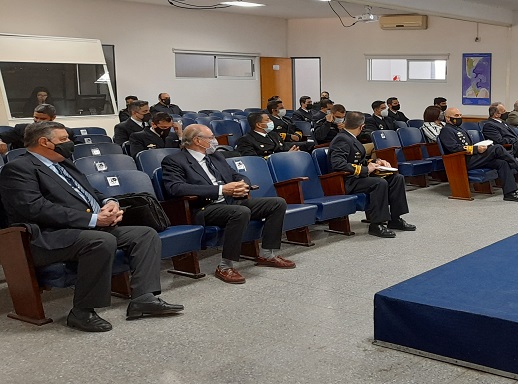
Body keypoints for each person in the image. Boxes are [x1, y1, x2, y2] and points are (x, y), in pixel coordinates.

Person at [0, 121, 183, 332]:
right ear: (44, 142)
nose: (69, 143)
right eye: (63, 139)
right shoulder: (18, 169)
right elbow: (35, 209)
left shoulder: (63, 162)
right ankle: (82, 311)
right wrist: (94, 220)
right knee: (101, 240)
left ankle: (143, 298)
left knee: (145, 235)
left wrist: (109, 203)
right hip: (48, 237)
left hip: (86, 228)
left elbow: (91, 192)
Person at [161, 124, 294, 284]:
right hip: (204, 207)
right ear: (197, 140)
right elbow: (175, 188)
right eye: (211, 138)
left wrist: (242, 185)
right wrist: (221, 189)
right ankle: (225, 266)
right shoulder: (174, 160)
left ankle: (267, 254)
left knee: (277, 203)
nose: (215, 141)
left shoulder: (216, 157)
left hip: (231, 201)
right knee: (240, 212)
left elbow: (237, 175)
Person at [329, 111, 414, 238]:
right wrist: (365, 170)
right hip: (346, 181)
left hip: (358, 178)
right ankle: (376, 224)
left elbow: (359, 160)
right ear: (362, 127)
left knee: (396, 178)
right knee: (379, 183)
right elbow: (338, 164)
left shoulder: (350, 138)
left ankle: (395, 219)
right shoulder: (342, 139)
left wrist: (376, 163)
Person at [440, 107, 518, 202]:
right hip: (462, 160)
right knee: (497, 147)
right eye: (456, 115)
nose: (459, 117)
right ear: (448, 118)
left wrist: (479, 147)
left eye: (460, 115)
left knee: (502, 163)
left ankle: (510, 193)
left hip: (471, 157)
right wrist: (475, 149)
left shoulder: (459, 128)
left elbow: (467, 145)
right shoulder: (446, 130)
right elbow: (453, 148)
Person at [0, 104, 76, 153]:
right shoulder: (21, 129)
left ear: (53, 118)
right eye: (36, 117)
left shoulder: (65, 132)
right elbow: (2, 137)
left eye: (43, 119)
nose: (38, 121)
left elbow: (76, 147)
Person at [235, 112, 300, 157]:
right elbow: (253, 160)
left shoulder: (274, 135)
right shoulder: (245, 140)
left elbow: (285, 149)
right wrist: (284, 156)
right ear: (259, 125)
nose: (271, 122)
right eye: (267, 120)